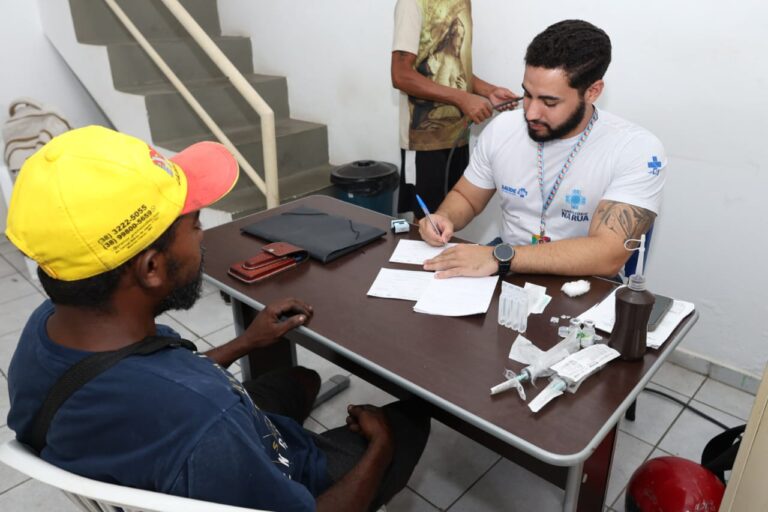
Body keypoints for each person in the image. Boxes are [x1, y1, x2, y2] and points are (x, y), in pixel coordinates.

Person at [5, 126, 429, 512]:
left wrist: (245, 342)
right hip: (289, 478)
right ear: (151, 268)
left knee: (302, 380)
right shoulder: (206, 419)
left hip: (174, 434)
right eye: (195, 225)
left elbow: (164, 378)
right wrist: (381, 446)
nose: (203, 237)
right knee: (408, 421)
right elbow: (196, 407)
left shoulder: (47, 327)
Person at [419, 19, 667, 279]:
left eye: (549, 102)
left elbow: (607, 255)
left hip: (583, 280)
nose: (531, 113)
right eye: (527, 95)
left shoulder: (636, 149)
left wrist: (499, 256)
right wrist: (444, 216)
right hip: (505, 261)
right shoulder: (503, 128)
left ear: (592, 92)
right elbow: (466, 197)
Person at [391, 0, 519, 217]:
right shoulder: (412, 3)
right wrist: (463, 99)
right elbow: (400, 75)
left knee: (451, 217)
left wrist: (488, 91)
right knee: (426, 222)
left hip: (458, 136)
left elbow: (455, 66)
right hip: (425, 141)